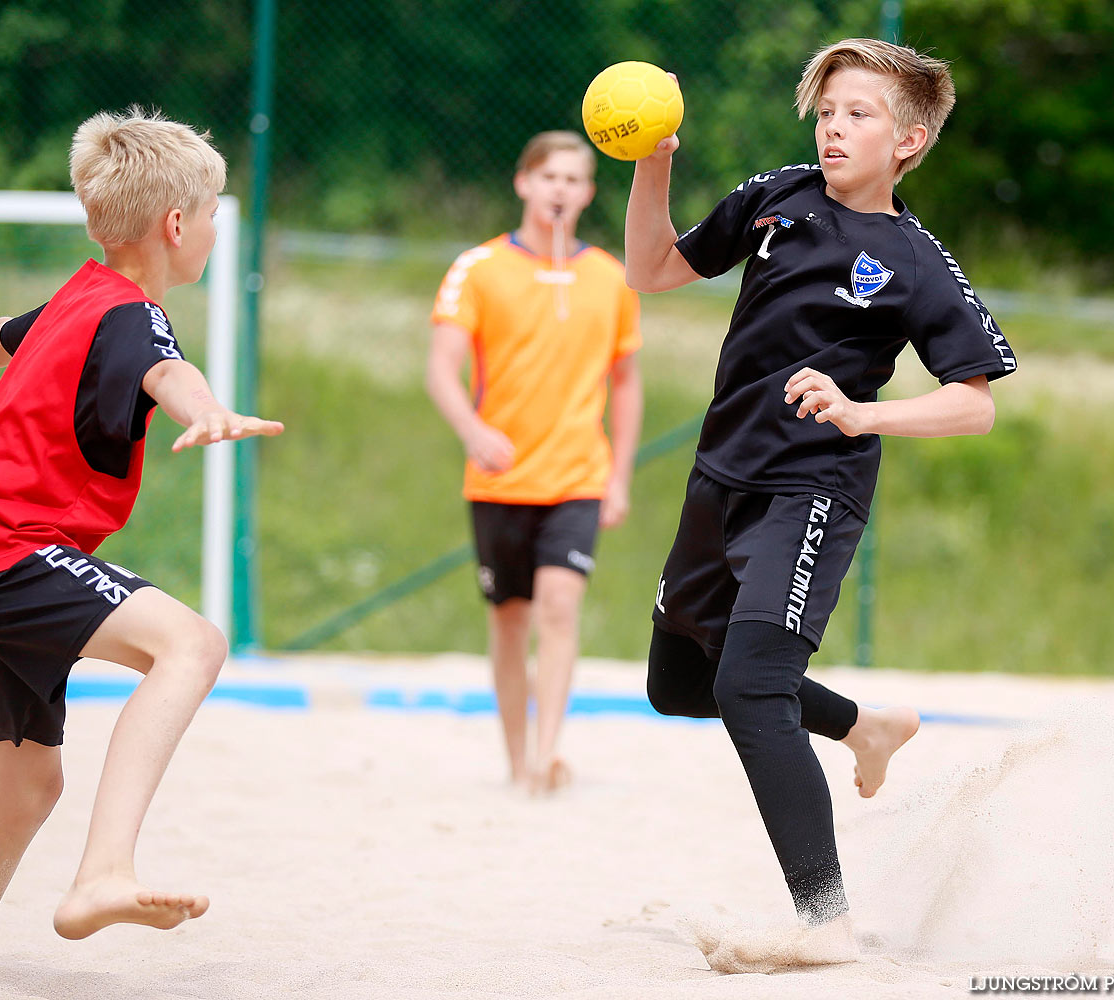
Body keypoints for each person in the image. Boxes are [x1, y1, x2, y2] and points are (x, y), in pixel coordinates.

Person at [624, 39, 1017, 951]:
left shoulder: (912, 260)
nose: (836, 128)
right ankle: (864, 727)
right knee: (679, 687)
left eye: (860, 115)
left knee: (751, 687)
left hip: (811, 489)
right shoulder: (779, 196)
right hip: (720, 475)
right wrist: (654, 166)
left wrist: (857, 414)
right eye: (829, 110)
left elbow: (974, 408)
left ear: (909, 141)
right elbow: (652, 271)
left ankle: (826, 922)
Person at [0, 107, 283, 980]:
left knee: (26, 789)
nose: (217, 228)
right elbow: (168, 371)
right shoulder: (132, 317)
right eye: (216, 211)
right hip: (4, 547)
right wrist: (208, 411)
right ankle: (103, 873)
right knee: (191, 644)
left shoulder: (78, 299)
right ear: (178, 224)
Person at [427, 131, 643, 795]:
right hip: (500, 478)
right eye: (549, 176)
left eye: (574, 180)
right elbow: (441, 368)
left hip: (577, 475)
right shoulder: (479, 268)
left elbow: (627, 381)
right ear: (524, 183)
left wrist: (619, 476)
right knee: (510, 619)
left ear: (588, 193)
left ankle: (548, 755)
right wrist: (472, 430)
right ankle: (517, 759)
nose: (560, 190)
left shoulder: (612, 276)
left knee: (559, 607)